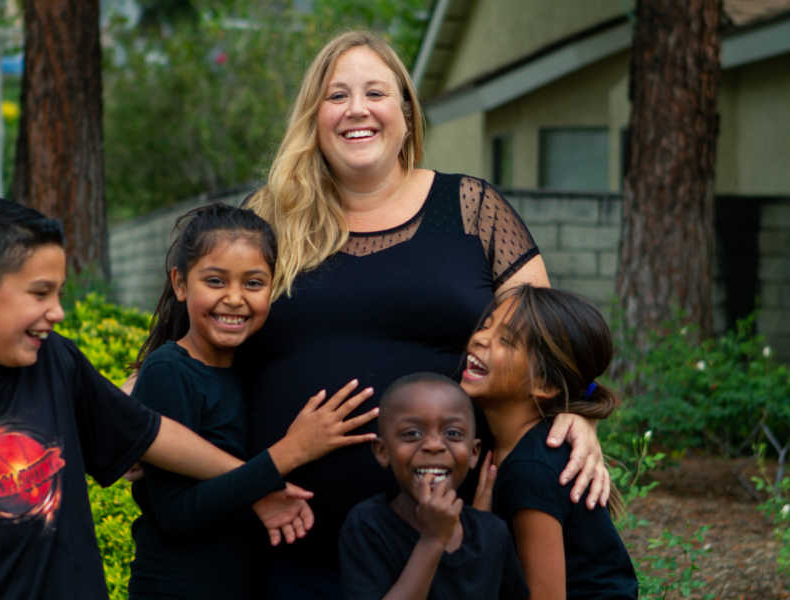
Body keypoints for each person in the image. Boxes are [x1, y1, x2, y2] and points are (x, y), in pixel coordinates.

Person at [238, 30, 611, 596]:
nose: (356, 110)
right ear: (313, 118)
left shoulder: (472, 209)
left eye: (376, 93)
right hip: (288, 534)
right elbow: (188, 343)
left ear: (407, 116)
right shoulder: (265, 218)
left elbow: (554, 344)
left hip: (451, 545)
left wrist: (578, 414)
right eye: (336, 96)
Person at [0, 198, 329, 600]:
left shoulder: (54, 362)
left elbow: (150, 434)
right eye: (40, 293)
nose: (58, 311)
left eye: (59, 293)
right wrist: (271, 467)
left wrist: (261, 484)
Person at [127, 203, 378, 599]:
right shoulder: (168, 372)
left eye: (253, 283)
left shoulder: (251, 367)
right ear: (180, 284)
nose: (234, 298)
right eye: (215, 281)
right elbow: (174, 514)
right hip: (179, 587)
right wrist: (291, 452)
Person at [460, 284, 638, 599]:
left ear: (544, 384)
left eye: (505, 340)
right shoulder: (504, 443)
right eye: (487, 325)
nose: (480, 337)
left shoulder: (531, 469)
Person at [338, 372, 528, 600]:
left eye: (453, 433)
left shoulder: (492, 533)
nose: (434, 445)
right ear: (382, 451)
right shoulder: (368, 525)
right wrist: (433, 539)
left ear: (473, 453)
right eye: (412, 434)